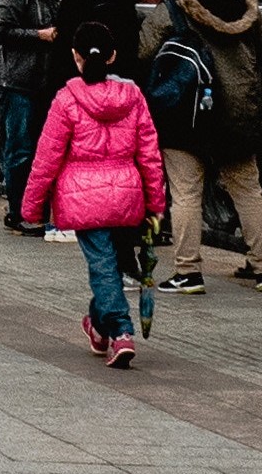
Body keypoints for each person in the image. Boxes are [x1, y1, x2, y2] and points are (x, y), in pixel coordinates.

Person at [22, 23, 168, 367]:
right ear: (113, 56)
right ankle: (98, 326)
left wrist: (31, 206)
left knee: (103, 267)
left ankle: (120, 331)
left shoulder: (67, 99)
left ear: (75, 57)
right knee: (112, 267)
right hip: (126, 193)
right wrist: (156, 202)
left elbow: (47, 156)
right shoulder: (133, 98)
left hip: (83, 196)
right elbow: (149, 154)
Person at [146, 0, 262, 292]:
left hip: (186, 115)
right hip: (239, 113)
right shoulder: (242, 6)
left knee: (187, 194)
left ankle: (188, 272)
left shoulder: (172, 9)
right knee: (249, 191)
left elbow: (144, 51)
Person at [0, 0, 72, 230]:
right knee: (19, 148)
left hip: (42, 82)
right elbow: (0, 31)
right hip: (16, 81)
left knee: (41, 149)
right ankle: (19, 210)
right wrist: (38, 35)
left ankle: (36, 209)